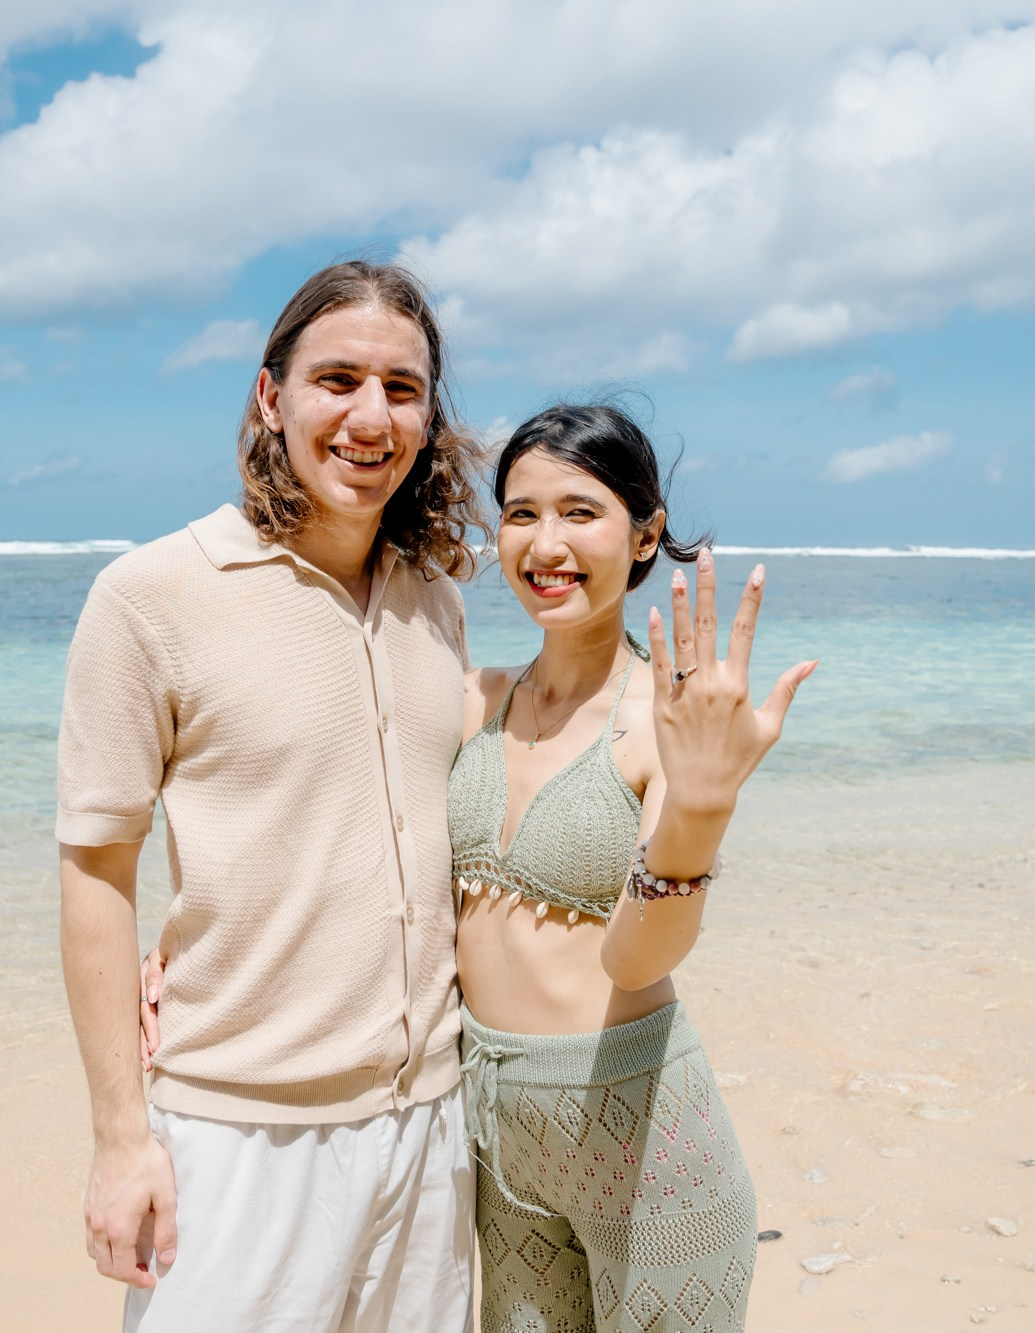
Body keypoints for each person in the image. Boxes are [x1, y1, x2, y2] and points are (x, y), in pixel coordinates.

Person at [56, 259, 486, 1332]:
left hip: (432, 1129)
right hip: (237, 1136)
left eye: (401, 389)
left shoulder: (435, 601)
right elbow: (96, 870)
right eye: (336, 380)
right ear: (270, 397)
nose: (369, 417)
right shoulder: (149, 596)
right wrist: (120, 1137)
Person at [446, 403, 814, 1332]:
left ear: (646, 534)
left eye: (581, 511)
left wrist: (700, 807)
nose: (546, 543)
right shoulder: (474, 700)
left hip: (648, 1151)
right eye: (522, 513)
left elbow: (637, 958)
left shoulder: (667, 723)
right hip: (500, 1145)